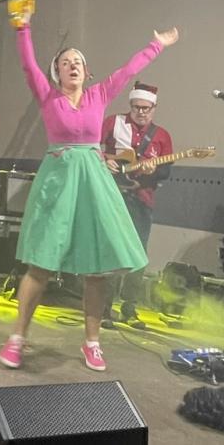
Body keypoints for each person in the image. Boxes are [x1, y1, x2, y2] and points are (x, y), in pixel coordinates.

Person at [0, 0, 179, 372]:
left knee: (96, 269)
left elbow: (129, 71)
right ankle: (17, 338)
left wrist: (156, 45)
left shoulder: (99, 95)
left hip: (94, 183)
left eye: (78, 60)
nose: (73, 64)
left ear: (86, 70)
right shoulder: (48, 96)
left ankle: (92, 342)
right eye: (65, 62)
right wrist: (23, 27)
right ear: (57, 72)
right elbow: (28, 64)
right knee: (40, 264)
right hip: (59, 180)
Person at [100, 82, 173, 329]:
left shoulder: (162, 136)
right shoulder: (114, 123)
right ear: (130, 105)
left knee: (138, 255)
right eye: (136, 107)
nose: (141, 112)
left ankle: (129, 308)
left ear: (154, 108)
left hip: (142, 200)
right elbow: (90, 146)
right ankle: (104, 308)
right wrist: (104, 160)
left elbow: (166, 172)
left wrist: (155, 170)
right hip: (113, 196)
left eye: (146, 108)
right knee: (112, 252)